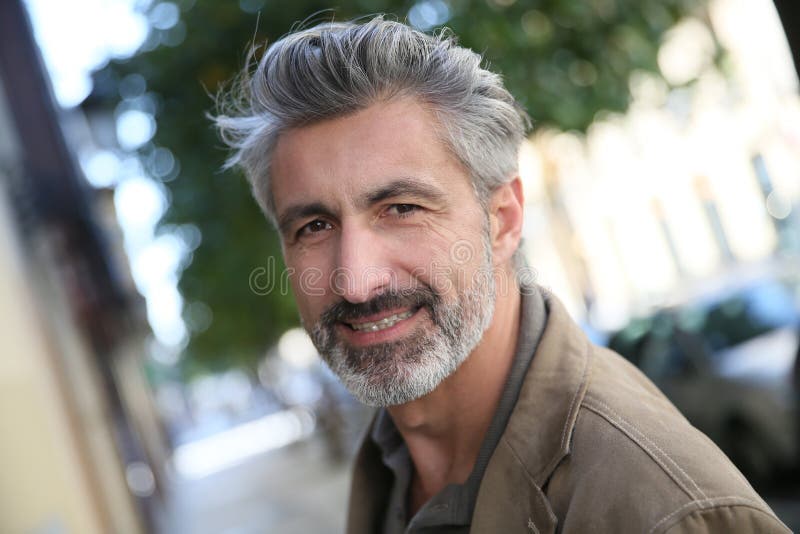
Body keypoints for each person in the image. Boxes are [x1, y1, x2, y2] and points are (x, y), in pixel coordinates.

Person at [214, 16, 790, 534]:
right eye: (314, 226)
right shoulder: (393, 463)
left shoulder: (661, 510)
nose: (356, 281)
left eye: (402, 209)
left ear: (503, 220)